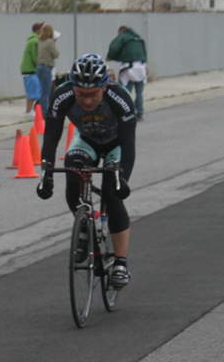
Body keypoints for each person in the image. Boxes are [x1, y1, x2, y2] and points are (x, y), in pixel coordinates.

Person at [36, 54, 137, 289]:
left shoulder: (119, 97)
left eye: (93, 94)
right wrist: (46, 175)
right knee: (73, 177)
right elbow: (51, 139)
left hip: (116, 144)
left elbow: (129, 145)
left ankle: (120, 262)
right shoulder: (62, 95)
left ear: (104, 86)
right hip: (87, 140)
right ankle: (84, 229)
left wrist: (122, 179)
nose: (87, 101)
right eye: (81, 94)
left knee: (112, 194)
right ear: (73, 87)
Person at [106, 25, 148, 121]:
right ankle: (140, 112)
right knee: (139, 92)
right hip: (141, 68)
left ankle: (127, 112)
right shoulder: (138, 38)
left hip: (129, 68)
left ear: (121, 31)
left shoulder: (123, 36)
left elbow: (113, 47)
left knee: (126, 92)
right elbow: (144, 54)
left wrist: (110, 56)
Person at [36, 24, 59, 117]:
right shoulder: (50, 42)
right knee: (46, 91)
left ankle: (39, 109)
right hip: (46, 67)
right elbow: (56, 54)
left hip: (39, 67)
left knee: (41, 91)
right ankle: (45, 113)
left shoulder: (41, 41)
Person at [20, 21, 42, 116]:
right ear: (37, 30)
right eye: (41, 28)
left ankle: (30, 111)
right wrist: (39, 66)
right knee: (32, 92)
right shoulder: (35, 41)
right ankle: (28, 111)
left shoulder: (33, 40)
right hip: (30, 70)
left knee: (33, 91)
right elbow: (35, 56)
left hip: (29, 70)